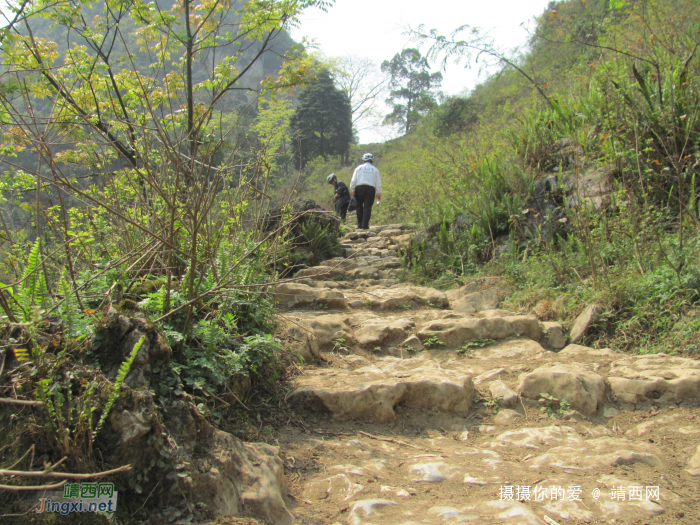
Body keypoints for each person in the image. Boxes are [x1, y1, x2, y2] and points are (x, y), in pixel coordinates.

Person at [349, 153, 382, 230]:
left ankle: (359, 224)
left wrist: (353, 189)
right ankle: (365, 226)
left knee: (359, 206)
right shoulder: (375, 170)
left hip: (359, 188)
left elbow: (353, 180)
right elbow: (378, 183)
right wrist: (378, 193)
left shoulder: (358, 168)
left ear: (363, 160)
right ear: (372, 161)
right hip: (370, 189)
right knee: (367, 207)